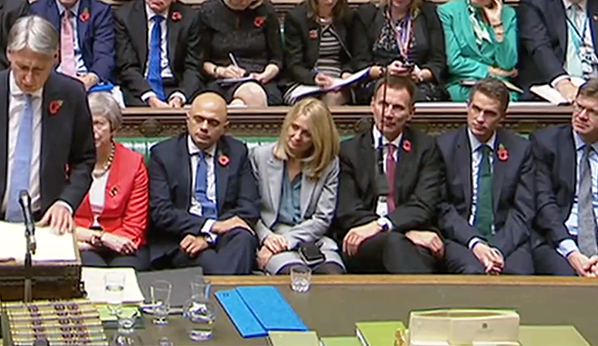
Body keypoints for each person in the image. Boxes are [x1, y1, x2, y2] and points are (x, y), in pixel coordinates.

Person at [0, 15, 97, 234]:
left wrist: (66, 202)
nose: (28, 78)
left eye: (38, 70)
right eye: (22, 67)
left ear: (54, 59)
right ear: (9, 54)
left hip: (46, 222)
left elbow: (84, 160)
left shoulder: (71, 94)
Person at [335, 76, 445, 273]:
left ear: (411, 113)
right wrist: (389, 229)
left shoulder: (426, 148)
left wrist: (386, 225)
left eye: (398, 108)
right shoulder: (348, 151)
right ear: (372, 105)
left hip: (413, 234)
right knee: (394, 244)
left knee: (415, 249)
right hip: (362, 239)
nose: (388, 114)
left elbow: (424, 204)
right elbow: (348, 210)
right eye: (383, 105)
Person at [147, 91, 259, 273]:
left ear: (225, 127)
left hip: (224, 237)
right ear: (188, 119)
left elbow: (248, 208)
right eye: (199, 119)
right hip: (181, 238)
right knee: (216, 264)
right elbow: (161, 212)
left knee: (244, 238)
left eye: (213, 122)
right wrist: (211, 226)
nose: (204, 127)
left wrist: (208, 237)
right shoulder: (163, 154)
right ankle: (231, 296)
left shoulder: (237, 152)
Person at [531, 77, 598, 276]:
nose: (582, 116)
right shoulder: (545, 144)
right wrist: (571, 252)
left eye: (594, 112)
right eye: (579, 107)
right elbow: (545, 205)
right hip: (558, 242)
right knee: (564, 277)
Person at [436, 79, 536, 275]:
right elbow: (443, 208)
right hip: (462, 239)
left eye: (490, 113)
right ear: (467, 106)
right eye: (476, 109)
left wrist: (497, 249)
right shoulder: (443, 147)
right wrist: (476, 243)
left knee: (519, 274)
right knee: (472, 271)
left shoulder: (520, 149)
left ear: (502, 117)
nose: (480, 118)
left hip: (507, 239)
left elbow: (523, 210)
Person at [250, 98, 344, 274]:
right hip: (273, 238)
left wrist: (288, 240)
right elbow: (250, 210)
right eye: (294, 127)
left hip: (313, 239)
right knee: (295, 274)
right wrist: (268, 239)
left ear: (318, 138)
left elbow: (322, 218)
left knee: (333, 275)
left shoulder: (329, 165)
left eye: (307, 133)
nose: (297, 137)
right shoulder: (260, 156)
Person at [354, 0, 447, 102]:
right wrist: (385, 71)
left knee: (417, 97)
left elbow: (437, 61)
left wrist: (421, 74)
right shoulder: (367, 14)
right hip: (379, 80)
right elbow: (360, 63)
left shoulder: (428, 12)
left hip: (418, 83)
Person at [74, 92, 149, 269]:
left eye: (98, 124)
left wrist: (110, 241)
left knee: (124, 272)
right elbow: (60, 219)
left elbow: (134, 225)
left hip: (123, 241)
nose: (91, 130)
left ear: (113, 128)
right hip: (80, 241)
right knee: (91, 268)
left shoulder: (133, 163)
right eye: (87, 123)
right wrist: (98, 239)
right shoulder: (66, 161)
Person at [114, 0, 203, 108]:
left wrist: (180, 96)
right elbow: (126, 67)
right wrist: (149, 96)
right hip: (138, 88)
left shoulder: (190, 18)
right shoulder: (124, 16)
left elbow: (193, 67)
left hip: (176, 86)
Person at [201, 0, 283, 107]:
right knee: (251, 94)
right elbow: (200, 61)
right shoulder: (209, 11)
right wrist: (221, 71)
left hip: (261, 81)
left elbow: (277, 59)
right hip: (222, 82)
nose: (244, 1)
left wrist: (265, 75)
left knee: (243, 101)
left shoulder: (265, 10)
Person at [282, 0, 363, 106]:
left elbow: (356, 56)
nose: (330, 0)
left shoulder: (348, 16)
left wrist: (347, 73)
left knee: (333, 98)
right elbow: (293, 64)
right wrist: (314, 78)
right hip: (304, 82)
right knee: (309, 105)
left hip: (338, 82)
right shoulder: (297, 18)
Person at [30, 0, 115, 89]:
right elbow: (35, 55)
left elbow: (104, 56)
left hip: (89, 81)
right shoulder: (38, 11)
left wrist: (90, 79)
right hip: (50, 81)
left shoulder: (99, 12)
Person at [438, 0, 519, 102]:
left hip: (499, 88)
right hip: (462, 85)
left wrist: (496, 24)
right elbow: (454, 62)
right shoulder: (448, 11)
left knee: (508, 100)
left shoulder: (508, 15)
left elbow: (508, 64)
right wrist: (493, 72)